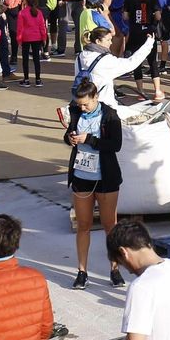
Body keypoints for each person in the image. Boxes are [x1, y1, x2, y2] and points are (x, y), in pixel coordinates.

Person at [62, 79, 125, 289]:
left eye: (86, 104)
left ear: (95, 97)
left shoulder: (110, 116)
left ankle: (114, 269)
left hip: (106, 177)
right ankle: (82, 271)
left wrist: (90, 139)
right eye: (79, 104)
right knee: (83, 226)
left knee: (110, 226)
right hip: (82, 177)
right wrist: (69, 139)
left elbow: (115, 145)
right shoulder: (75, 112)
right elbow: (68, 134)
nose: (82, 108)